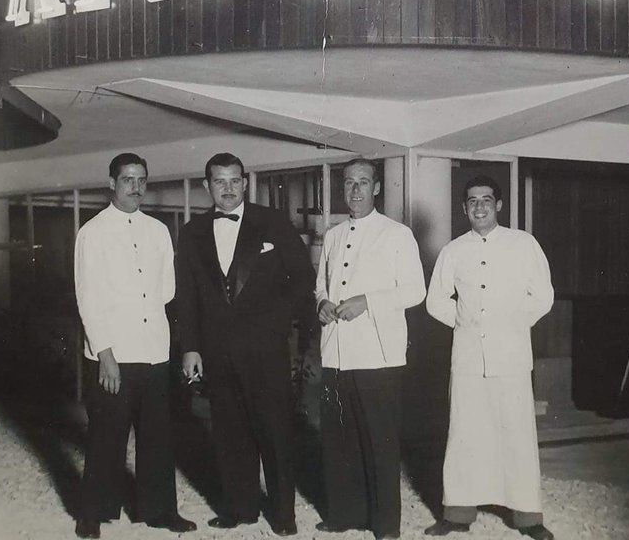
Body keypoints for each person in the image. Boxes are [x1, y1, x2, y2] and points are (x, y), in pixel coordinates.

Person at [175, 153, 315, 533]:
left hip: (266, 346)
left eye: (235, 180)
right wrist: (190, 347)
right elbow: (186, 295)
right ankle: (241, 508)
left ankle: (284, 516)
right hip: (216, 348)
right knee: (229, 431)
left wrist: (276, 321)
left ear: (246, 182)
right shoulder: (191, 233)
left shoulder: (272, 222)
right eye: (219, 181)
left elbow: (303, 278)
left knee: (275, 432)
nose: (228, 188)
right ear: (206, 187)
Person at [425, 175, 555, 540]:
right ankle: (457, 514)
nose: (479, 206)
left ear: (499, 205)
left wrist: (509, 324)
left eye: (486, 199)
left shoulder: (523, 244)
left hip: (512, 358)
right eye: (472, 201)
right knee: (465, 434)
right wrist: (468, 323)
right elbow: (436, 302)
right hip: (467, 358)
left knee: (517, 435)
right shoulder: (453, 251)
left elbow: (543, 296)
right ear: (464, 208)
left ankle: (528, 517)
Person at [73, 152, 195, 539]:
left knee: (157, 438)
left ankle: (158, 511)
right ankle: (92, 514)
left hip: (154, 351)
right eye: (128, 179)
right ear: (112, 183)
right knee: (106, 437)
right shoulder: (92, 232)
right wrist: (106, 355)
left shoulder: (158, 230)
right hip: (115, 355)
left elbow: (166, 290)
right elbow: (87, 297)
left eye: (142, 180)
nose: (136, 187)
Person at [316, 158, 426, 539]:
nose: (356, 190)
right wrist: (321, 304)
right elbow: (321, 285)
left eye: (363, 183)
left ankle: (384, 524)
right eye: (349, 183)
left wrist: (368, 300)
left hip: (378, 355)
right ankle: (345, 513)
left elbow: (416, 291)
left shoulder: (397, 234)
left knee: (379, 443)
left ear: (377, 188)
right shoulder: (331, 236)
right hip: (336, 355)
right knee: (339, 440)